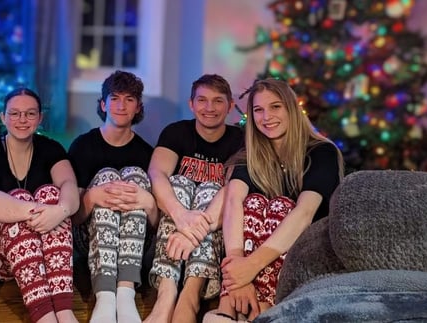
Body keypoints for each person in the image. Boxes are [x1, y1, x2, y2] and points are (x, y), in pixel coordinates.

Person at [203, 78, 344, 322]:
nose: (266, 116)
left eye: (275, 107)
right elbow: (234, 201)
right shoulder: (252, 155)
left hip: (306, 247)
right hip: (247, 265)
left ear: (291, 108)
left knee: (281, 208)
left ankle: (262, 307)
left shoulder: (321, 152)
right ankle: (229, 306)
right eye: (258, 110)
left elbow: (304, 214)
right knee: (253, 204)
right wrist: (238, 269)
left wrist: (251, 266)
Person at [0, 87, 80, 323]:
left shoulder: (51, 149)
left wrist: (59, 211)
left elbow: (70, 186)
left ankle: (63, 309)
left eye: (30, 114)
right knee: (21, 196)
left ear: (40, 118)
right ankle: (44, 315)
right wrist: (33, 211)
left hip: (43, 254)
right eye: (14, 113)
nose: (22, 120)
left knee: (53, 193)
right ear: (3, 117)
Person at [145, 74, 245, 323]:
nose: (209, 108)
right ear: (191, 104)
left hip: (213, 229)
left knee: (214, 189)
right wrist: (182, 216)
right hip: (172, 230)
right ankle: (166, 294)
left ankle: (191, 293)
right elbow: (156, 175)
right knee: (177, 183)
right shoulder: (176, 132)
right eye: (202, 100)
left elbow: (232, 190)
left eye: (217, 101)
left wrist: (192, 232)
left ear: (230, 106)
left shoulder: (241, 140)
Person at [68, 70, 157, 323]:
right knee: (107, 176)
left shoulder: (146, 152)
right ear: (103, 104)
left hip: (135, 242)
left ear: (138, 107)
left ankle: (125, 292)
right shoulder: (82, 146)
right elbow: (73, 217)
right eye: (115, 98)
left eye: (129, 99)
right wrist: (94, 197)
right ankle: (106, 295)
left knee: (136, 175)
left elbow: (154, 224)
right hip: (90, 239)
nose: (121, 105)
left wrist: (147, 202)